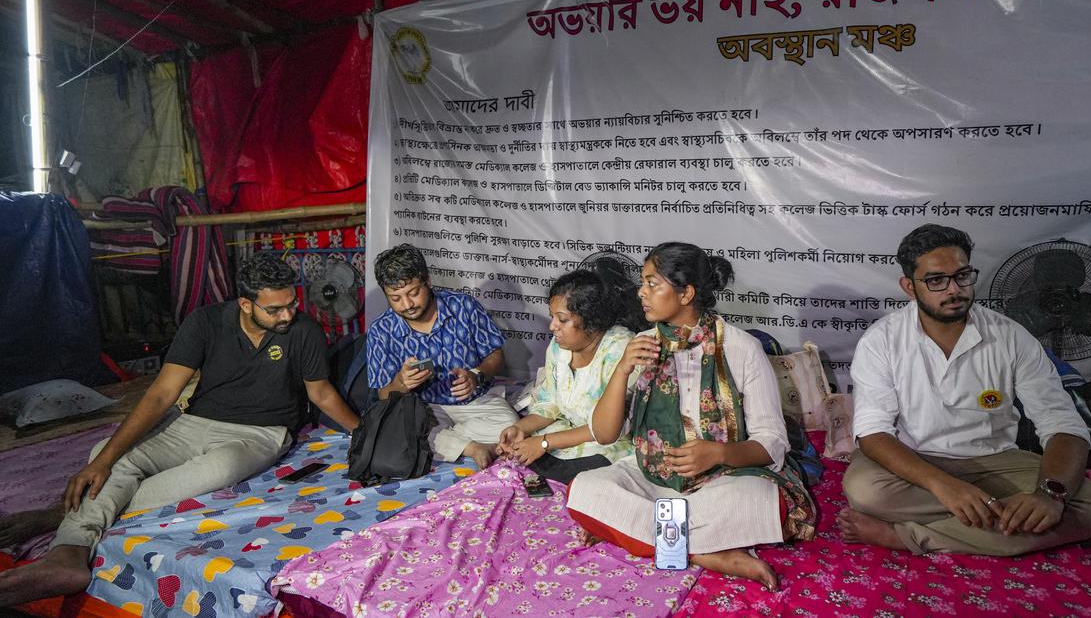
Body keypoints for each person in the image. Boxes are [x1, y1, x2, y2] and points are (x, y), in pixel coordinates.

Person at [0, 251, 360, 606]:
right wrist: (104, 460)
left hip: (259, 433)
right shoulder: (205, 322)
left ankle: (65, 516)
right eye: (275, 309)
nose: (287, 315)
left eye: (291, 304)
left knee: (216, 471)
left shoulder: (304, 331)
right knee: (106, 456)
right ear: (246, 304)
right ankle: (67, 556)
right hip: (191, 422)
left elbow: (321, 393)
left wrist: (362, 430)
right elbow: (161, 395)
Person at [837, 224, 1091, 556]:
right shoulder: (882, 341)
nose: (954, 290)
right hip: (916, 461)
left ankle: (912, 536)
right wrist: (946, 487)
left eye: (962, 276)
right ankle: (1003, 519)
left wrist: (1048, 496)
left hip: (996, 461)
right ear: (909, 287)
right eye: (936, 280)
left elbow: (1063, 424)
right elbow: (873, 433)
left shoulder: (1011, 337)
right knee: (865, 490)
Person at [566, 242, 817, 591]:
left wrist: (717, 453)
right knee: (586, 489)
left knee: (766, 502)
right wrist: (623, 369)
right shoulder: (641, 344)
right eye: (643, 282)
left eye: (653, 283)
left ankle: (642, 533)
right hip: (653, 475)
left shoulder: (740, 347)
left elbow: (772, 442)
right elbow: (606, 433)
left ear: (686, 294)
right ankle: (707, 553)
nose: (641, 292)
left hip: (725, 477)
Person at [366, 244, 515, 470]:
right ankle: (473, 448)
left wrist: (476, 376)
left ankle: (448, 442)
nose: (407, 305)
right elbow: (384, 395)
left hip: (475, 402)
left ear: (428, 281)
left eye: (413, 293)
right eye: (395, 298)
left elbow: (495, 354)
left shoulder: (464, 306)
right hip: (425, 408)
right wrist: (401, 383)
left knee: (512, 424)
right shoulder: (381, 331)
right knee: (404, 430)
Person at [497, 260, 647, 484]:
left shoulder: (622, 349)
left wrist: (545, 443)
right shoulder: (559, 347)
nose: (552, 327)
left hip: (609, 446)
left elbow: (609, 431)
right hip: (563, 436)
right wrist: (519, 428)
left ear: (591, 321)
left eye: (563, 319)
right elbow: (550, 404)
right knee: (522, 457)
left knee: (593, 475)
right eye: (553, 317)